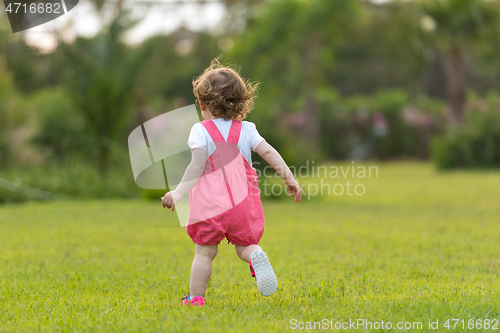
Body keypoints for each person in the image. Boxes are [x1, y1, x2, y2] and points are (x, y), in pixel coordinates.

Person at [161, 59, 302, 307]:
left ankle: (196, 299)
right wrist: (288, 178)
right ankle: (256, 255)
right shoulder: (247, 129)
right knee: (244, 246)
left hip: (210, 204)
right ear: (239, 103)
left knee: (205, 252)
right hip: (241, 202)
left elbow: (196, 165)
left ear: (202, 103)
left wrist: (178, 192)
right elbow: (268, 152)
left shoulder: (200, 130)